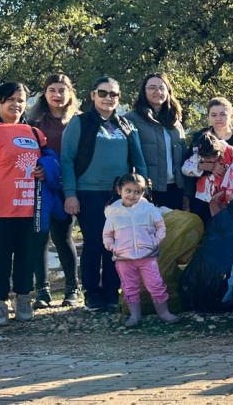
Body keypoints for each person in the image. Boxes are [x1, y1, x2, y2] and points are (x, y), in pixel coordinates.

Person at [61, 77, 148, 311]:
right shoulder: (80, 123)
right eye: (103, 93)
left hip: (120, 195)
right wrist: (70, 194)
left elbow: (139, 162)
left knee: (118, 243)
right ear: (92, 95)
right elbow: (67, 160)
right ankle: (92, 293)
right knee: (94, 242)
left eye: (114, 94)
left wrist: (142, 193)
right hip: (87, 192)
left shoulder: (127, 125)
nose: (108, 98)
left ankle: (111, 292)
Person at [0, 82, 51, 326]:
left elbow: (50, 161)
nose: (16, 104)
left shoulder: (35, 133)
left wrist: (44, 170)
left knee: (26, 255)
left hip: (30, 207)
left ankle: (23, 297)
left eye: (21, 100)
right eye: (10, 99)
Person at [26, 74, 82, 308]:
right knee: (39, 237)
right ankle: (43, 291)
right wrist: (37, 169)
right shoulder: (33, 121)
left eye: (62, 90)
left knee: (63, 236)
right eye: (52, 90)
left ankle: (72, 288)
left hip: (68, 185)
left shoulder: (78, 121)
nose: (57, 95)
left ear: (70, 93)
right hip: (41, 186)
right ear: (44, 93)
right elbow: (26, 151)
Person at [102, 173, 179, 327]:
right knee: (129, 287)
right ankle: (135, 316)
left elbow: (160, 227)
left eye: (137, 192)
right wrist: (114, 248)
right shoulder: (113, 213)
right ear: (120, 190)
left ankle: (164, 313)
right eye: (128, 191)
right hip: (123, 260)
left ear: (143, 192)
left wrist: (154, 242)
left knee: (156, 284)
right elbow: (107, 235)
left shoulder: (149, 209)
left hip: (147, 257)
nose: (132, 195)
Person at [126, 73, 186, 210]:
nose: (157, 92)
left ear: (168, 91)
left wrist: (187, 192)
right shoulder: (131, 119)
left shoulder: (175, 121)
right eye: (152, 88)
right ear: (144, 91)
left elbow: (183, 158)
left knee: (173, 230)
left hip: (175, 188)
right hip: (146, 189)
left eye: (161, 88)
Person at [180, 131, 233, 225]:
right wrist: (201, 167)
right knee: (204, 224)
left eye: (215, 157)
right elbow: (185, 168)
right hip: (204, 197)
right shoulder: (197, 155)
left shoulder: (230, 151)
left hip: (224, 196)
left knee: (223, 224)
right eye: (208, 159)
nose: (213, 160)